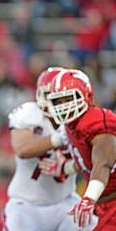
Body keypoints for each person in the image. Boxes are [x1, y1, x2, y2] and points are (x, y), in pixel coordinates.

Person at [2, 67, 98, 231]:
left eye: (65, 97)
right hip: (26, 205)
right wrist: (58, 138)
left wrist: (67, 168)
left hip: (64, 201)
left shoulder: (84, 120)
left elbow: (97, 160)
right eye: (53, 95)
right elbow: (22, 149)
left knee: (90, 224)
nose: (59, 102)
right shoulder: (30, 113)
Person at [47, 69, 116, 230]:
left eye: (68, 99)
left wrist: (89, 199)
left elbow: (103, 163)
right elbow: (87, 161)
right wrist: (64, 168)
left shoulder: (96, 121)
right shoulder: (71, 126)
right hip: (103, 203)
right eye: (58, 101)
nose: (63, 105)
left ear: (86, 95)